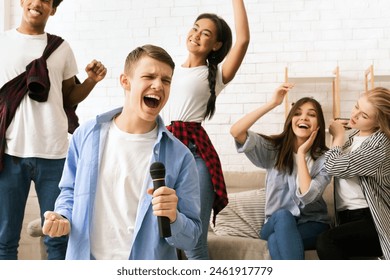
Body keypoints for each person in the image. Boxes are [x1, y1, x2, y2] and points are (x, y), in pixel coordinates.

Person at [41, 44, 202, 260]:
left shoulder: (181, 156)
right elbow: (70, 191)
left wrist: (174, 218)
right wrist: (62, 216)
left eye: (166, 80)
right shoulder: (87, 135)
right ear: (125, 81)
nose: (158, 85)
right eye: (149, 76)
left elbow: (191, 239)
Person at [0, 0, 106, 260]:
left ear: (53, 9)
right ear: (23, 2)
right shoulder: (2, 43)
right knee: (4, 239)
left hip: (56, 154)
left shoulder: (61, 48)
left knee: (58, 239)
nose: (37, 3)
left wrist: (91, 80)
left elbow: (69, 97)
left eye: (46, 0)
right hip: (11, 153)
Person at [161, 0, 250, 260]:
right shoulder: (168, 71)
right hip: (165, 151)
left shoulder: (215, 75)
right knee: (163, 238)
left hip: (196, 154)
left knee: (194, 244)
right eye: (196, 28)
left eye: (206, 34)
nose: (197, 35)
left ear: (217, 45)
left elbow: (243, 40)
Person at [230, 83, 331, 260]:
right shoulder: (273, 150)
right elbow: (236, 131)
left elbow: (308, 195)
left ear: (318, 125)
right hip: (275, 223)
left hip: (312, 224)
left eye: (311, 115)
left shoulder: (324, 159)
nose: (304, 118)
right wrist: (272, 103)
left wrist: (301, 154)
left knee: (278, 239)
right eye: (298, 113)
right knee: (283, 217)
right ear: (291, 119)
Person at [316, 87, 390, 260]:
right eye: (356, 107)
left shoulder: (380, 145)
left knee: (326, 241)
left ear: (379, 123)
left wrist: (337, 137)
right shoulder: (353, 136)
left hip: (370, 219)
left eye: (364, 116)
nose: (354, 115)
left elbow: (334, 166)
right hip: (346, 218)